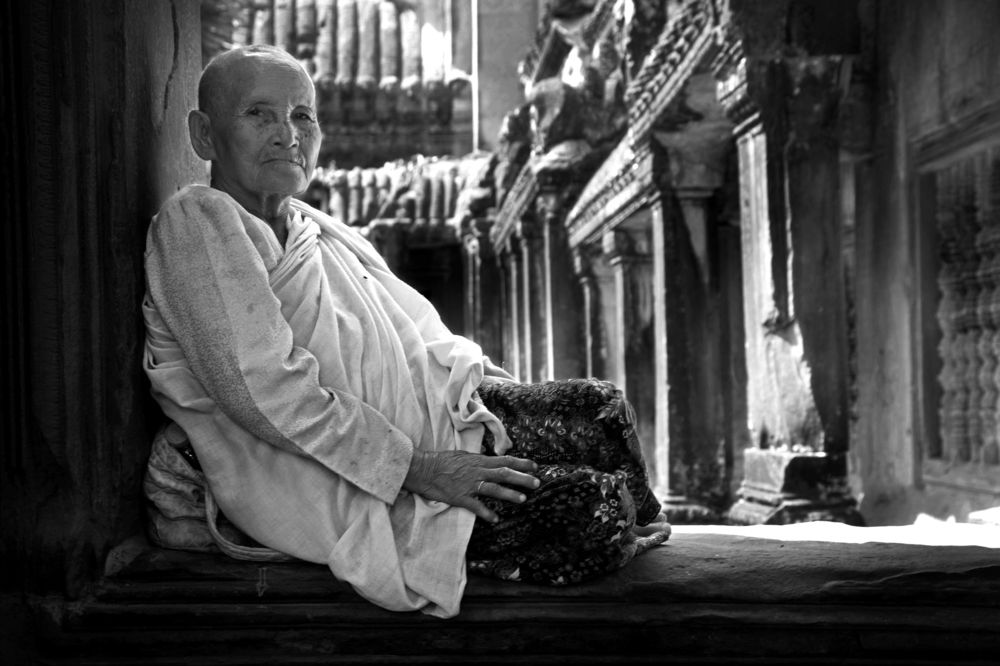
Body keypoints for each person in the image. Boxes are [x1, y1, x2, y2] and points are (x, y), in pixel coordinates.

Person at [142, 45, 670, 618]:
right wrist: (420, 469)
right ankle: (517, 547)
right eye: (259, 114)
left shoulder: (313, 226)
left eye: (302, 116)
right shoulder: (198, 221)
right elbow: (263, 388)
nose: (287, 134)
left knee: (599, 409)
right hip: (324, 468)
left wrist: (495, 398)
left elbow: (414, 330)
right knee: (593, 508)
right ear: (203, 135)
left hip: (426, 414)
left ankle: (613, 531)